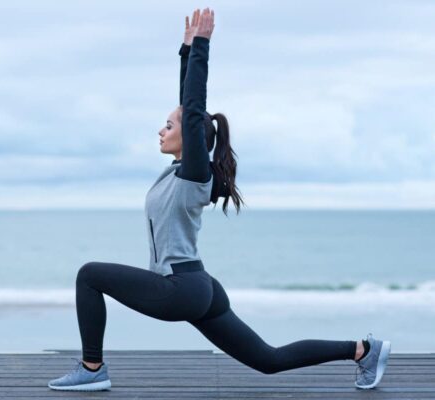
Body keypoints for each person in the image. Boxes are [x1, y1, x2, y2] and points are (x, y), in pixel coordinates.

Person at [48, 7, 391, 392]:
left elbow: (193, 111)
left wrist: (202, 49)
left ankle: (92, 368)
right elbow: (189, 111)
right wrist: (185, 50)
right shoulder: (179, 172)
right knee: (268, 359)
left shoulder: (197, 175)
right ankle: (363, 350)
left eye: (168, 125)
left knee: (89, 275)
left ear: (191, 139)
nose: (160, 130)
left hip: (181, 289)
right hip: (200, 286)